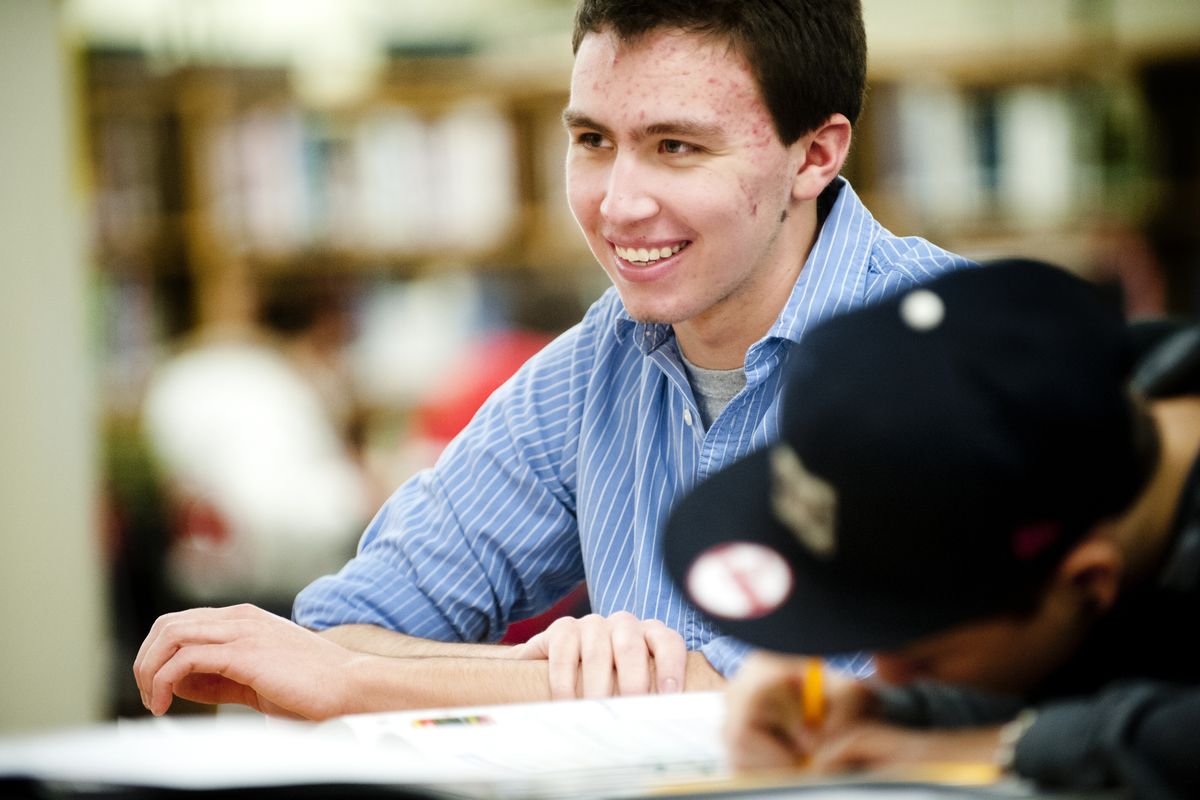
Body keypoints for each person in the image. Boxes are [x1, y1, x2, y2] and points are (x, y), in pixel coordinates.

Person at [133, 0, 972, 720]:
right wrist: (552, 675)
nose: (617, 202)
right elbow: (341, 631)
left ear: (816, 155)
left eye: (677, 146)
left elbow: (795, 700)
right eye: (593, 139)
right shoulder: (589, 371)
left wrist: (359, 682)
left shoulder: (955, 354)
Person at [662, 260, 1200, 799]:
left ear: (1087, 582)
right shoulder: (1077, 402)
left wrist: (1003, 749)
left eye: (921, 657)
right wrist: (893, 713)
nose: (881, 670)